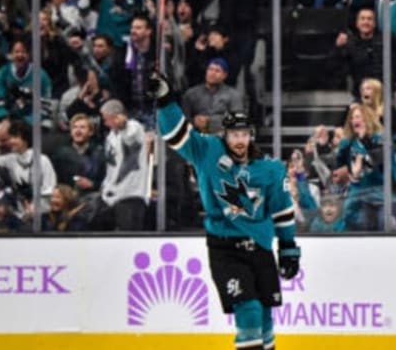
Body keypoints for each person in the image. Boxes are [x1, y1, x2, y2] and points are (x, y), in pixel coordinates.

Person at [151, 72, 300, 350]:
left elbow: (281, 210)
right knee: (250, 310)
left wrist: (289, 247)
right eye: (234, 134)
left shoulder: (270, 169)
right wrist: (165, 100)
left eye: (244, 134)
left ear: (251, 135)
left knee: (266, 316)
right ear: (225, 135)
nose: (239, 140)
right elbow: (176, 135)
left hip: (261, 246)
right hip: (225, 249)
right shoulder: (208, 151)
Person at [337, 103, 396, 231]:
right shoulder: (348, 143)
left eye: (359, 117)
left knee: (385, 223)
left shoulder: (381, 138)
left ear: (367, 119)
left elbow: (378, 159)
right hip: (358, 194)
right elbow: (339, 166)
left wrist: (365, 140)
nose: (355, 120)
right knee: (355, 222)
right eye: (353, 117)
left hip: (380, 192)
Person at [0, 120, 57, 216]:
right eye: (10, 138)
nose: (11, 141)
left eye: (15, 137)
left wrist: (32, 210)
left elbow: (49, 191)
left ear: (26, 139)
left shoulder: (42, 160)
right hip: (17, 215)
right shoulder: (9, 160)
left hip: (41, 215)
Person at [96, 99, 148, 231]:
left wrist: (123, 125)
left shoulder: (134, 127)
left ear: (116, 116)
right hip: (111, 194)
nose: (105, 123)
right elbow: (112, 166)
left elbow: (131, 141)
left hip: (131, 193)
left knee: (130, 237)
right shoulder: (111, 136)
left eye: (106, 119)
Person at [181, 57, 244, 134]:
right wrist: (194, 121)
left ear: (225, 75)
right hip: (196, 136)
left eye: (217, 71)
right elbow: (182, 120)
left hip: (223, 137)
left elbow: (237, 120)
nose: (212, 73)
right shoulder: (191, 94)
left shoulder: (234, 95)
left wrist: (210, 121)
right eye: (210, 69)